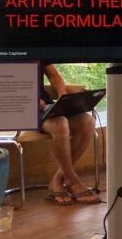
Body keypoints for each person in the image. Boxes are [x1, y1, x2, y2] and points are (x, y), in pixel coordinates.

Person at [41, 64, 100, 205]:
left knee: (88, 121)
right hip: (23, 110)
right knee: (60, 124)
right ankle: (72, 181)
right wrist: (27, 99)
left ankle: (58, 179)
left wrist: (63, 96)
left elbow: (54, 76)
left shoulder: (36, 47)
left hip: (46, 108)